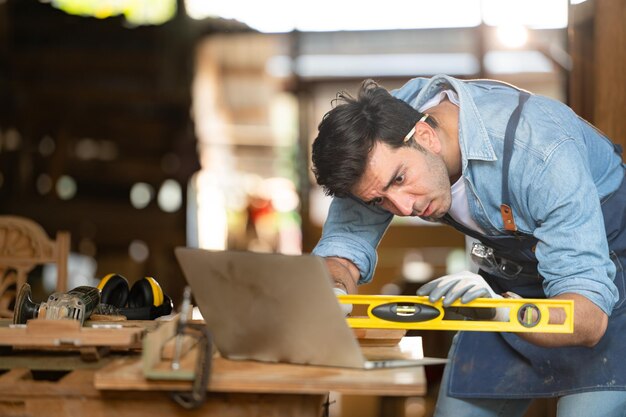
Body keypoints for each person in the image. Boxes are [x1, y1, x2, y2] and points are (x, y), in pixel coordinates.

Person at [310, 74, 626, 417]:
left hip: (605, 289)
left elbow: (588, 319)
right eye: (379, 201)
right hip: (508, 291)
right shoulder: (374, 145)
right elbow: (342, 248)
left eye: (401, 180)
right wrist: (334, 291)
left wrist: (499, 311)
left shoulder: (541, 151)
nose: (403, 209)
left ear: (426, 136)